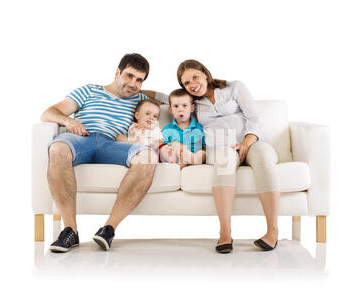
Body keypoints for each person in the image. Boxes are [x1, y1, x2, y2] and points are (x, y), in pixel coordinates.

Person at [42, 53, 164, 252]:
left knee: (148, 156)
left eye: (139, 80)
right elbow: (48, 112)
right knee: (58, 147)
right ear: (117, 72)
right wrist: (69, 121)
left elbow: (173, 98)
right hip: (82, 139)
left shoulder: (141, 100)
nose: (133, 83)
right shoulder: (90, 90)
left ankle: (108, 229)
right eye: (129, 76)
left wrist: (142, 89)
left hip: (113, 144)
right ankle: (70, 231)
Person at [177, 59, 281, 253]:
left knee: (265, 158)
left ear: (205, 74)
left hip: (252, 141)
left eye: (195, 77)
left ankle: (272, 231)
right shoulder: (192, 103)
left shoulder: (234, 88)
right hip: (221, 148)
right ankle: (225, 233)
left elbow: (254, 117)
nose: (192, 84)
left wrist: (246, 143)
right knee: (224, 160)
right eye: (186, 83)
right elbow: (165, 98)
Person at [160, 88, 206, 168]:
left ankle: (193, 160)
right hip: (177, 157)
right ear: (171, 110)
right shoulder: (167, 130)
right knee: (171, 147)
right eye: (176, 106)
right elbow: (163, 148)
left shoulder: (199, 128)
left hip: (193, 156)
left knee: (202, 153)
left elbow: (204, 146)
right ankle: (180, 163)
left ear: (191, 108)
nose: (180, 110)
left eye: (184, 106)